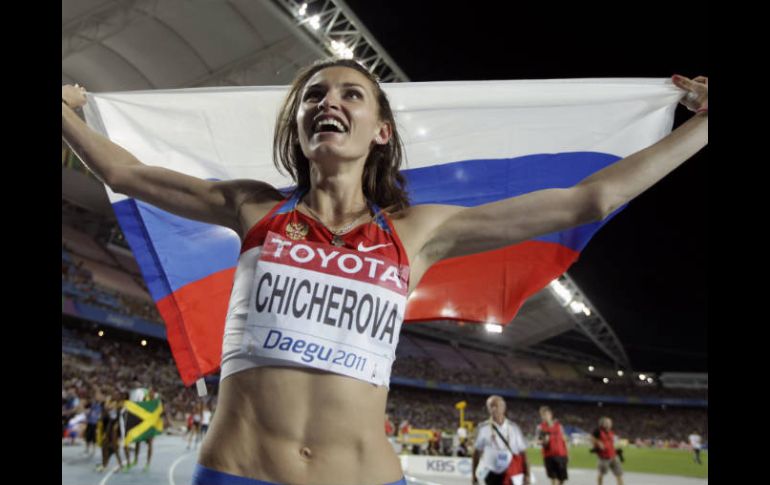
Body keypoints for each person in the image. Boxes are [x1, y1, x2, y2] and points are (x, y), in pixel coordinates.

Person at [62, 58, 707, 485]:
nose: (329, 101)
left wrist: (702, 128)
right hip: (239, 471)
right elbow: (123, 172)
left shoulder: (420, 230)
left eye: (351, 94)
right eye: (314, 95)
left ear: (381, 131)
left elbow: (588, 199)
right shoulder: (251, 205)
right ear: (300, 125)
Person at [472, 395, 529, 485]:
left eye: (496, 406)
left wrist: (527, 474)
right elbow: (476, 452)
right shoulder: (483, 428)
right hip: (490, 473)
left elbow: (523, 453)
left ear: (503, 408)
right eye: (491, 406)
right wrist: (474, 475)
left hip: (510, 472)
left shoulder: (513, 428)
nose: (493, 409)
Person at [537, 406, 568, 485]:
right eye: (543, 415)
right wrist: (544, 441)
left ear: (550, 415)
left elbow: (564, 439)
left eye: (546, 415)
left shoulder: (559, 426)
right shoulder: (541, 427)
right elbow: (538, 441)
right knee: (553, 478)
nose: (545, 417)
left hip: (561, 454)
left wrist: (567, 453)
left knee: (561, 479)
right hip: (549, 455)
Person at [591, 417, 623, 485]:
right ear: (603, 424)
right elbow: (592, 438)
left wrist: (617, 450)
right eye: (607, 422)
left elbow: (611, 443)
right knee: (601, 474)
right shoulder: (598, 431)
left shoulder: (611, 432)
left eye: (610, 422)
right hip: (604, 457)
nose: (609, 424)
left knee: (619, 473)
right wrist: (598, 443)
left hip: (613, 456)